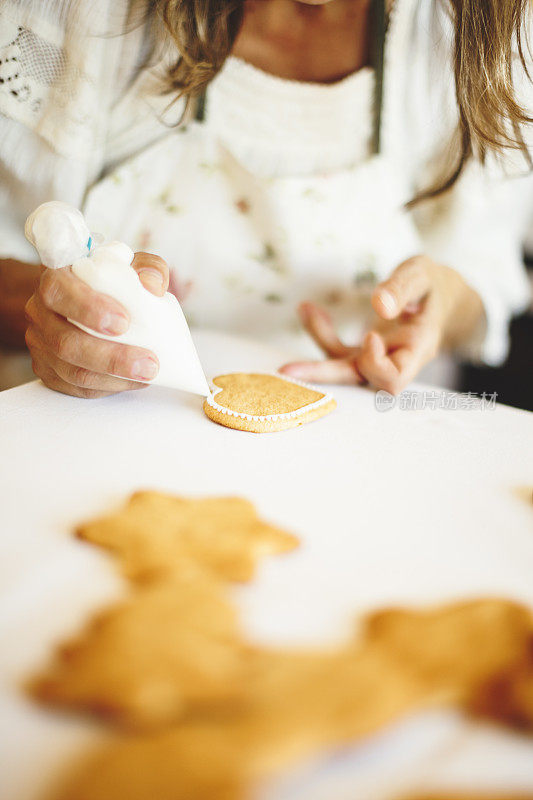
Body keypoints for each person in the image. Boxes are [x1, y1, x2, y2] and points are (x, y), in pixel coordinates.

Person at [0, 0, 531, 398]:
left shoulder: (476, 31)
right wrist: (48, 312)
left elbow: (482, 261)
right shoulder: (74, 18)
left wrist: (442, 303)